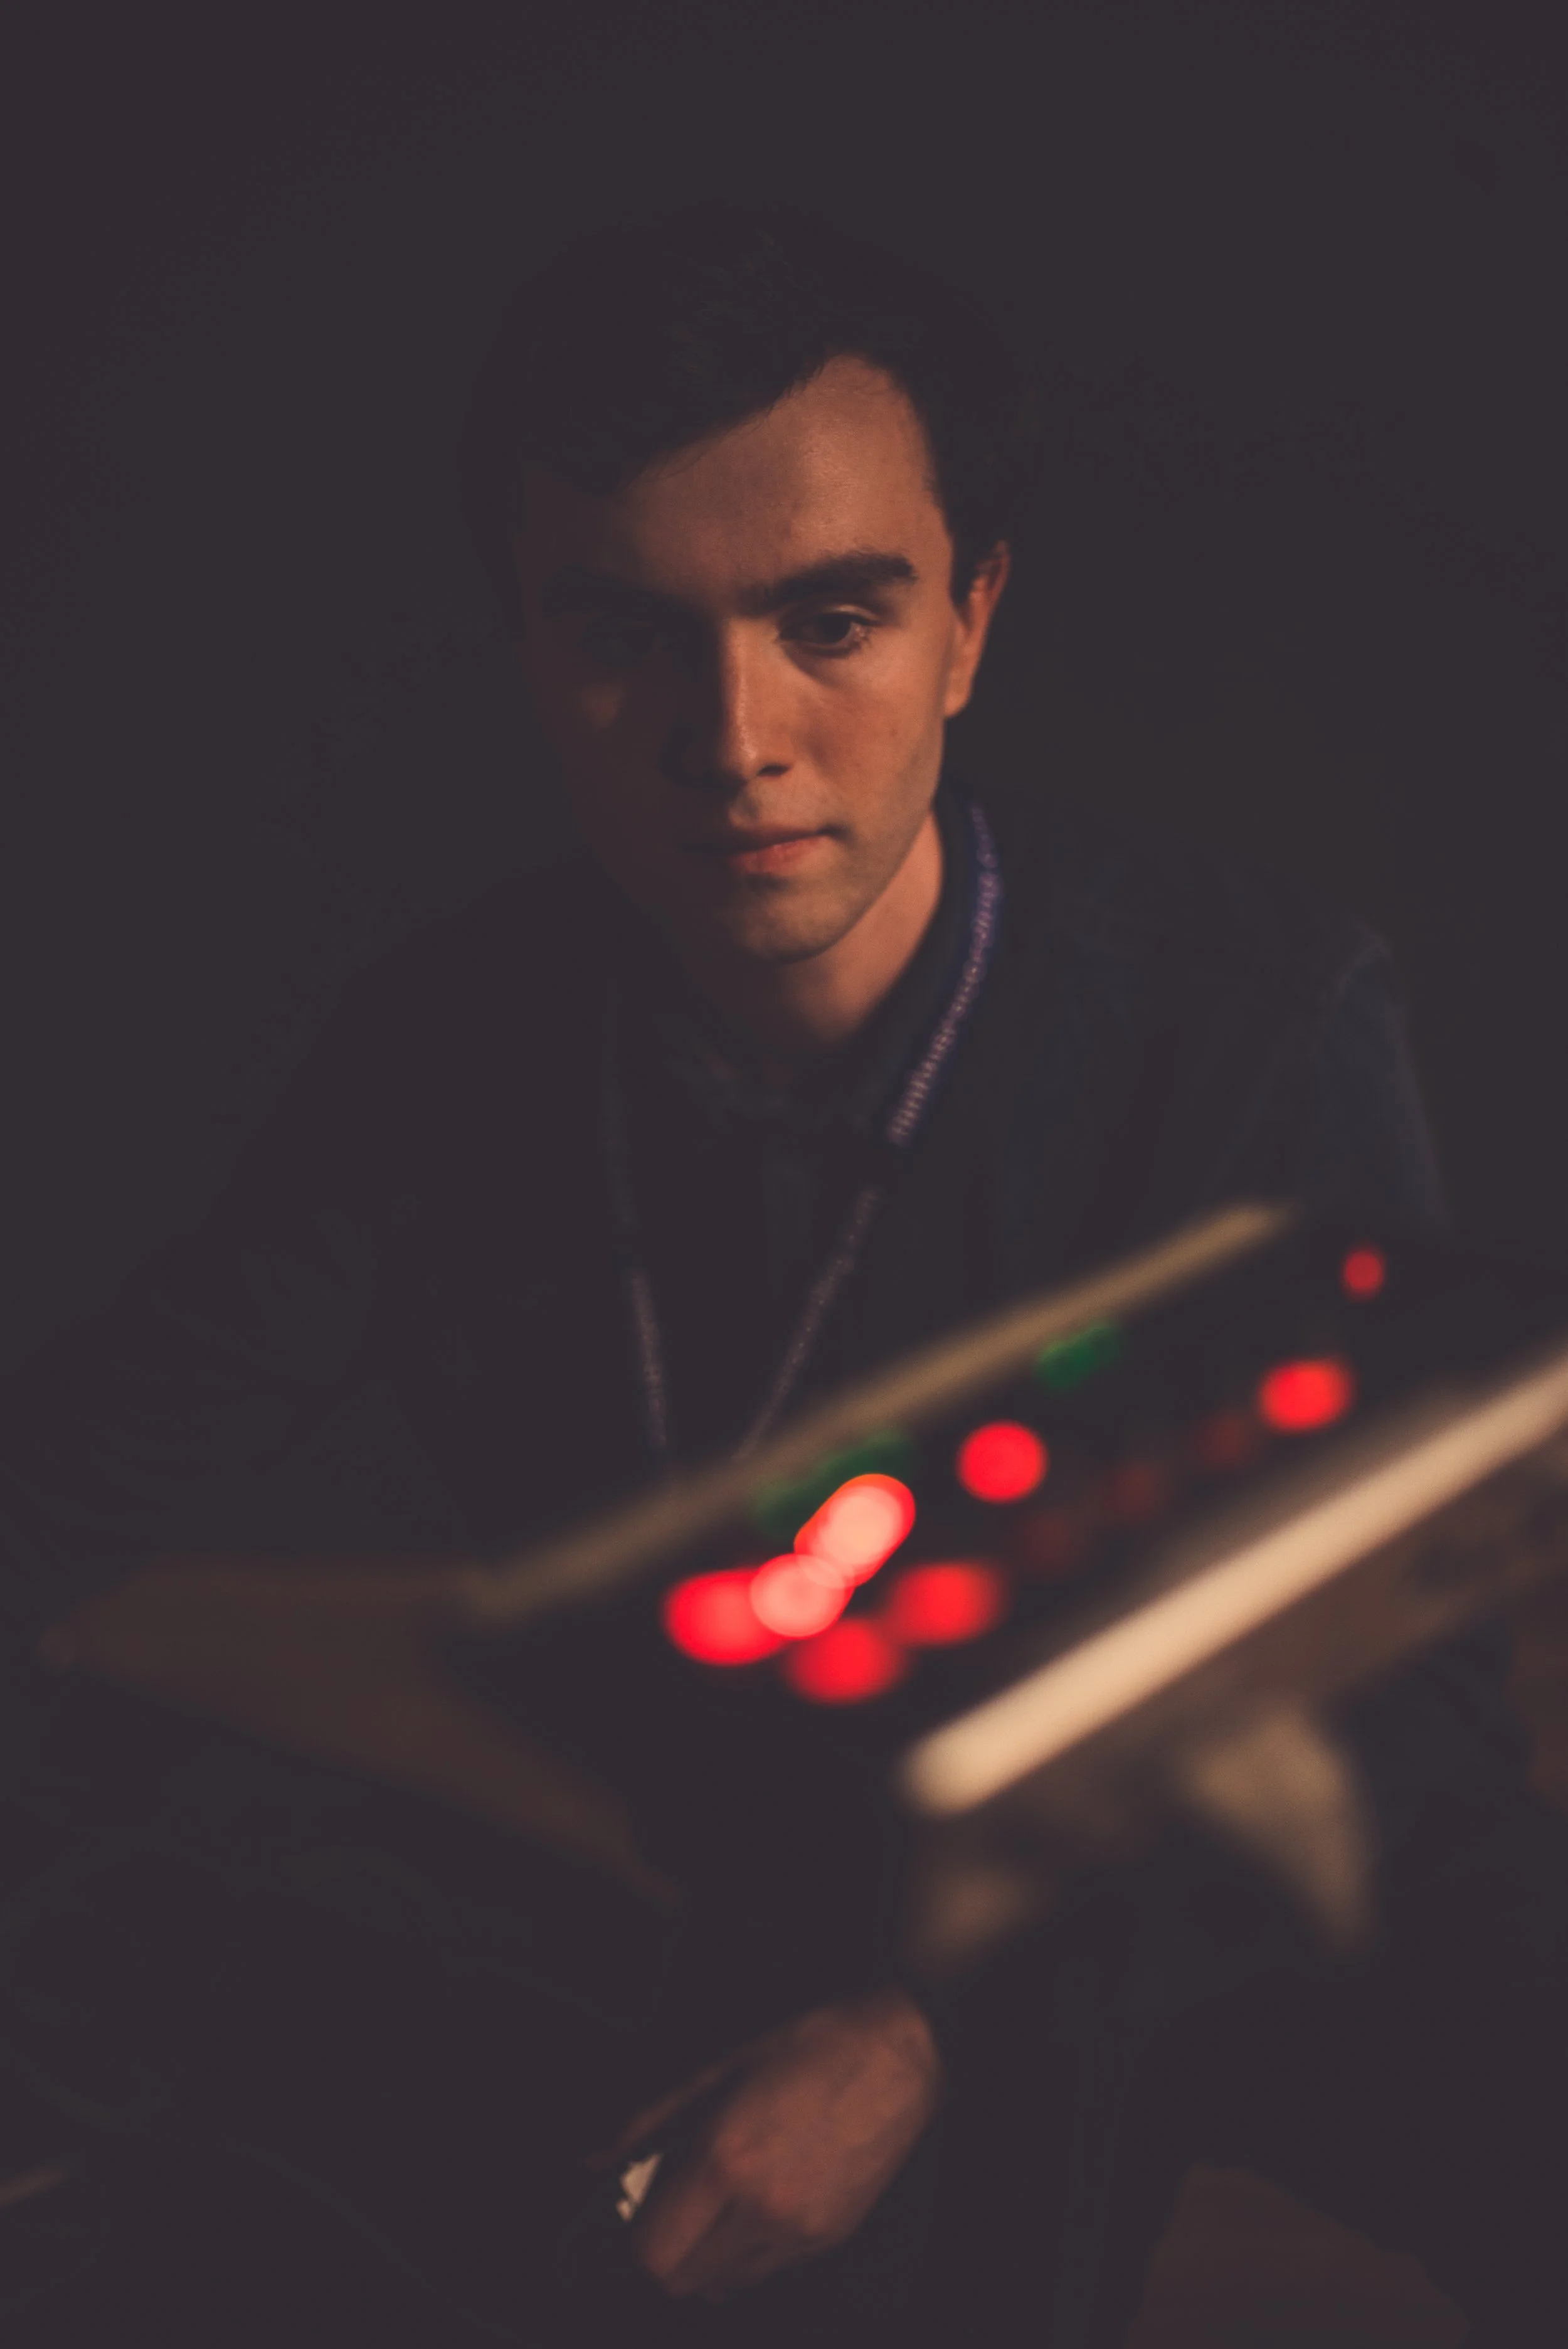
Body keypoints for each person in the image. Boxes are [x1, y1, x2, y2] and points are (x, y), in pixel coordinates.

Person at [2, 200, 1565, 2346]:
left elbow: (1377, 1686)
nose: (729, 736)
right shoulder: (458, 1044)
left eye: (829, 622)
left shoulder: (1250, 1016)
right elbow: (84, 1471)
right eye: (625, 632)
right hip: (784, 1878)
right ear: (526, 651)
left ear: (968, 628)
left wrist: (927, 2027)